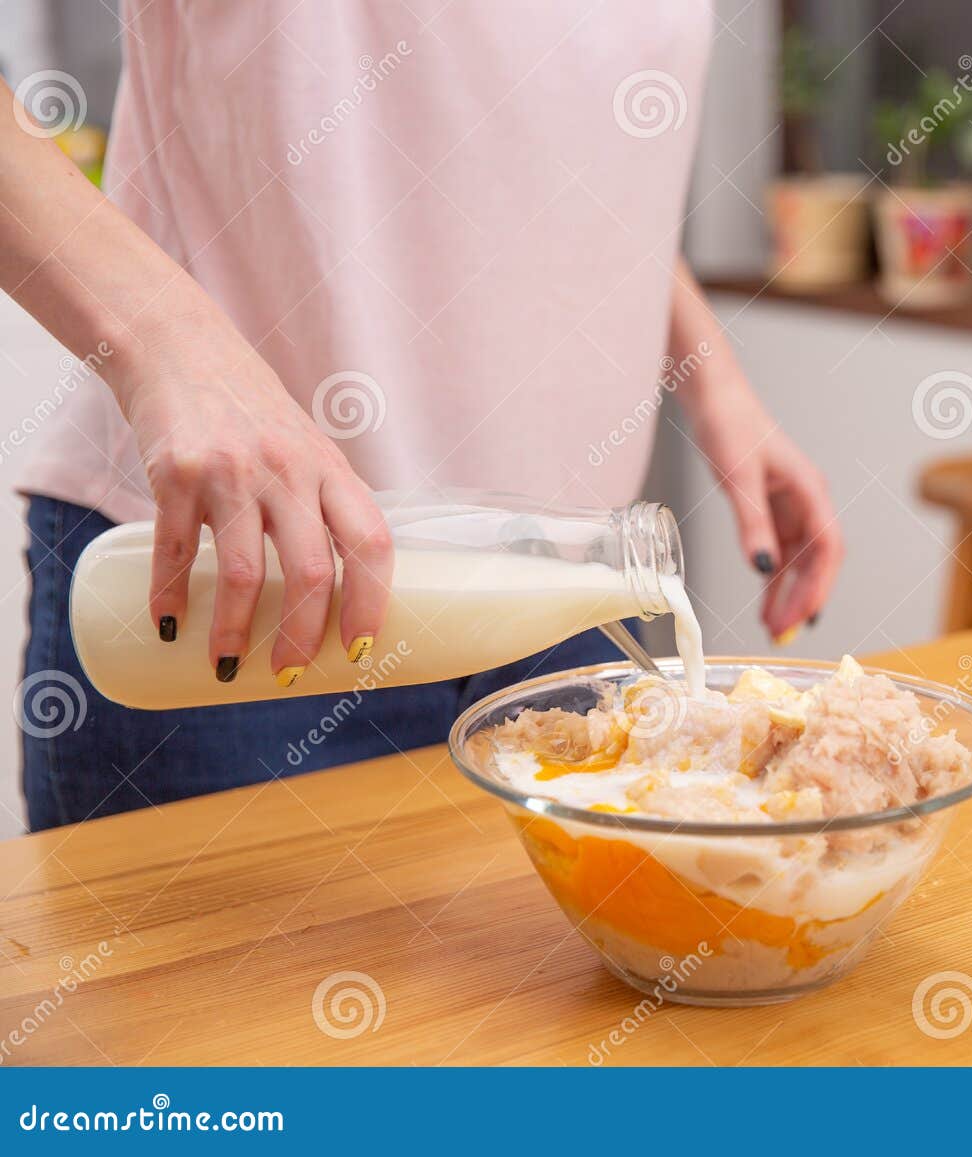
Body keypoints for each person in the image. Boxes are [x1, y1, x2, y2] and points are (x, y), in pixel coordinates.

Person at [1, 2, 841, 831]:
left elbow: (532, 140)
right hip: (253, 600)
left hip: (574, 597)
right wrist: (165, 342)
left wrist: (712, 376)